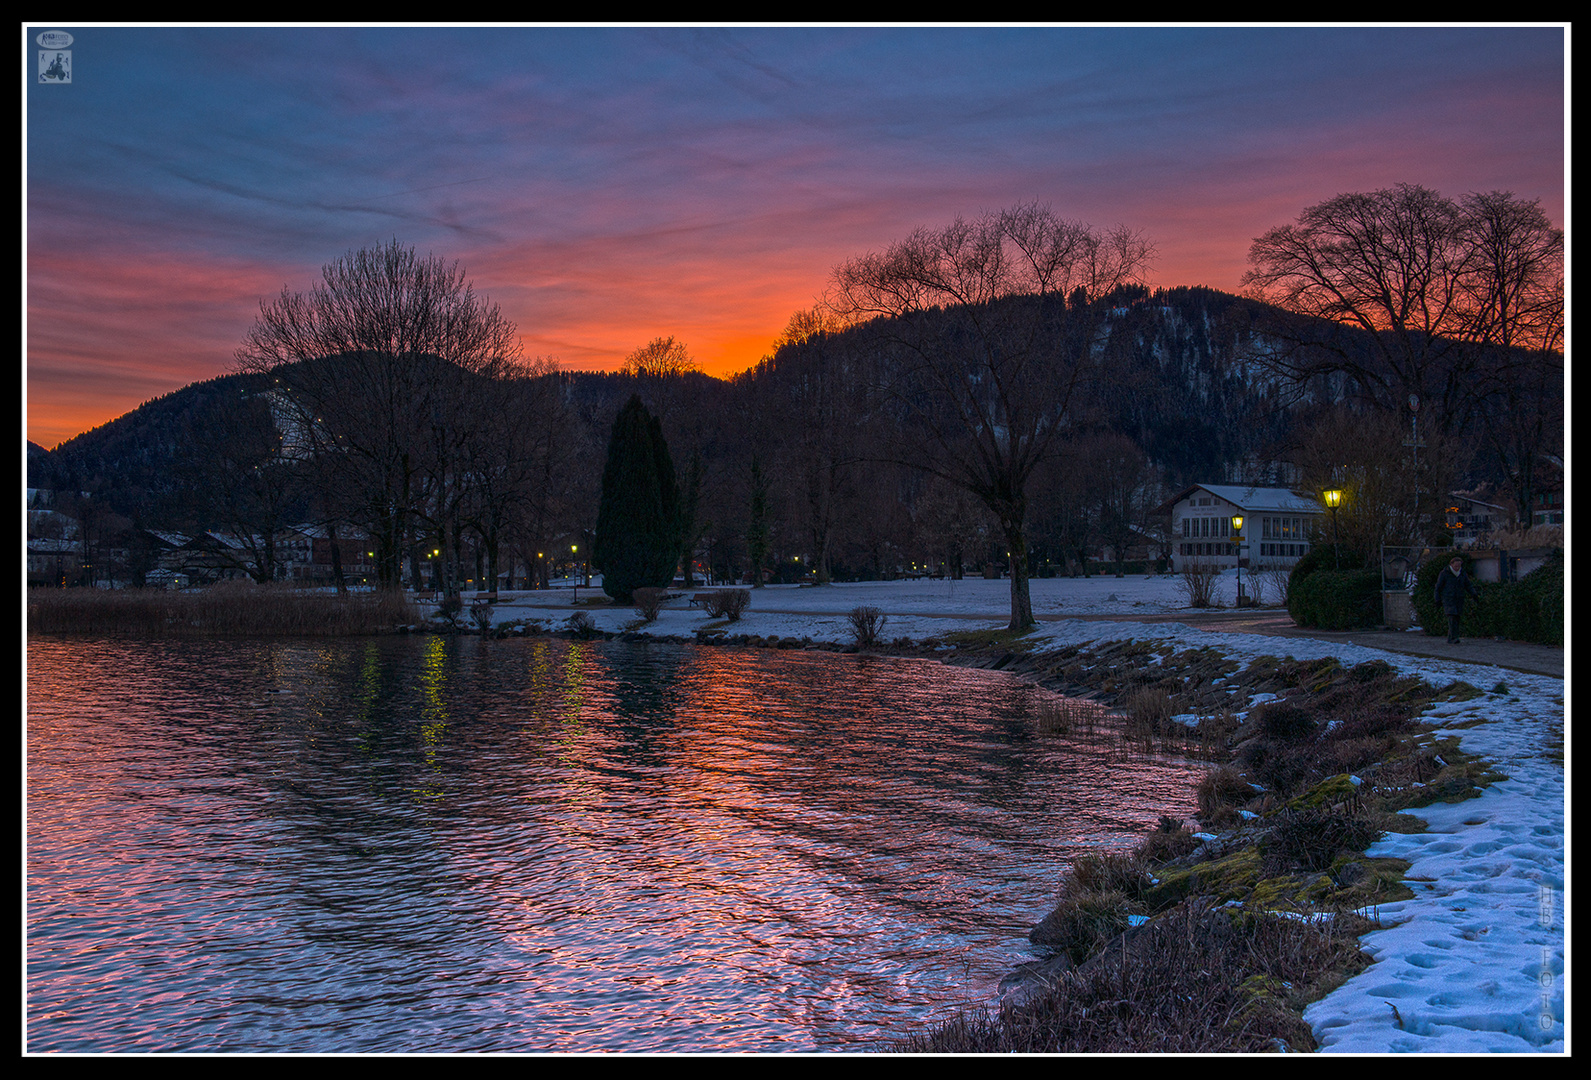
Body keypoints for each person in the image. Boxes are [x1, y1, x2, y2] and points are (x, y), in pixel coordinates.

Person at [1433, 555, 1478, 644]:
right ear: (1451, 565)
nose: (1457, 568)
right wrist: (1437, 599)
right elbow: (1438, 587)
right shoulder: (1444, 573)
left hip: (1459, 599)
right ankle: (1452, 638)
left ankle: (1454, 637)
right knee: (1452, 617)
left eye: (1459, 566)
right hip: (1448, 599)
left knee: (1457, 618)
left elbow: (1468, 585)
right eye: (1456, 566)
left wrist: (1474, 594)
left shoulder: (1462, 573)